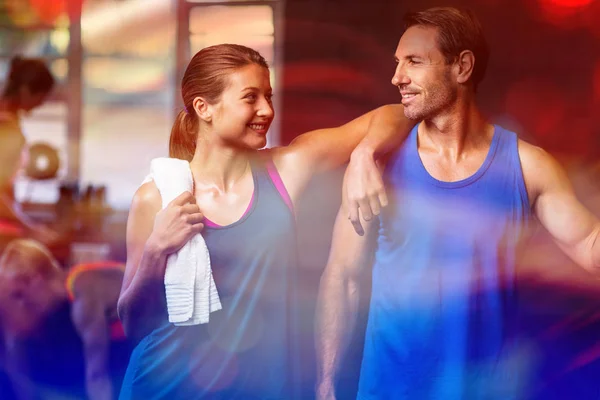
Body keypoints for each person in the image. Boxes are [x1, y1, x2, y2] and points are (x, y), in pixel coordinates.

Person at [315, 7, 600, 400]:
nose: (397, 77)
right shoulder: (378, 163)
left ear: (462, 67)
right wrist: (326, 381)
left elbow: (589, 245)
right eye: (398, 63)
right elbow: (342, 276)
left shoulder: (527, 166)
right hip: (390, 389)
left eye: (414, 62)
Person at [117, 43, 414, 399]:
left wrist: (365, 153)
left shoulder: (286, 169)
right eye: (250, 97)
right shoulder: (157, 198)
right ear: (204, 107)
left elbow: (398, 113)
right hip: (163, 387)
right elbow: (132, 323)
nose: (266, 110)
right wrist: (155, 251)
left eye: (268, 96)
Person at [0, 239, 130, 400]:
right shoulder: (78, 281)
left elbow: (97, 375)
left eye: (21, 295)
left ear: (36, 279)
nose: (25, 305)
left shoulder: (84, 297)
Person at [0, 56, 58, 253]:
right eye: (41, 97)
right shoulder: (7, 128)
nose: (41, 104)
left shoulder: (9, 122)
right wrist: (29, 228)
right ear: (25, 91)